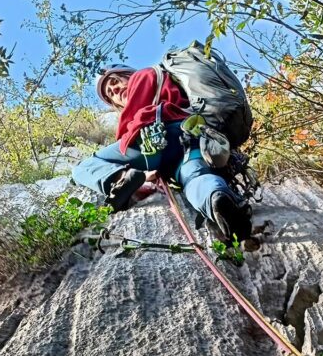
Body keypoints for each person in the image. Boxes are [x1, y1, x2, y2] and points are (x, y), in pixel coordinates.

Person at [71, 64, 252, 240]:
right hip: (189, 138)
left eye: (115, 82)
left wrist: (135, 171)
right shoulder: (165, 82)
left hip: (153, 138)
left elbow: (128, 135)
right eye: (111, 93)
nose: (115, 90)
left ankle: (120, 178)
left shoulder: (143, 74)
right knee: (195, 175)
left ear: (127, 74)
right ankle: (217, 201)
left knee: (82, 168)